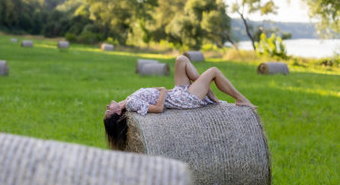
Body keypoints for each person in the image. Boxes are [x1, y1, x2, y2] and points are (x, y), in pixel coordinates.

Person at [103, 55, 257, 150]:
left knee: (181, 60)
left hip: (177, 93)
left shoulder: (126, 103)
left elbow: (123, 104)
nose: (108, 105)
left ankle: (207, 92)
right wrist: (163, 90)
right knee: (214, 71)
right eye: (109, 110)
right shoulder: (131, 105)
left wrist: (120, 105)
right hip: (182, 99)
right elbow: (158, 108)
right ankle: (239, 98)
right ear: (117, 113)